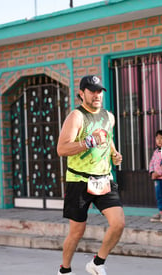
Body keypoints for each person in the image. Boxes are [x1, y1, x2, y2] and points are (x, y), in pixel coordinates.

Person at [56, 75, 125, 275]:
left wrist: (114, 153)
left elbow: (107, 137)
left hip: (103, 179)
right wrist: (88, 142)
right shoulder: (76, 117)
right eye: (92, 91)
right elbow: (62, 149)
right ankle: (64, 270)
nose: (96, 95)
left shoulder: (108, 116)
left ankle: (97, 263)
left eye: (99, 91)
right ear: (81, 93)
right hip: (79, 180)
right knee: (77, 231)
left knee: (118, 223)